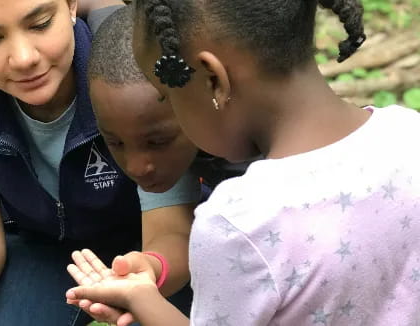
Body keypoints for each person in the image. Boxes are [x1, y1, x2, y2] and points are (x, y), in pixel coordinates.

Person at [65, 0, 420, 325]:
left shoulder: (239, 221)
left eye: (169, 94)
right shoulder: (408, 133)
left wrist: (143, 302)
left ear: (214, 80)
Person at [0, 0, 194, 325]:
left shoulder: (131, 72)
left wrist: (149, 270)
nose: (24, 58)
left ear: (72, 6)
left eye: (40, 24)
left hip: (151, 242)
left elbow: (172, 229)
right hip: (38, 244)